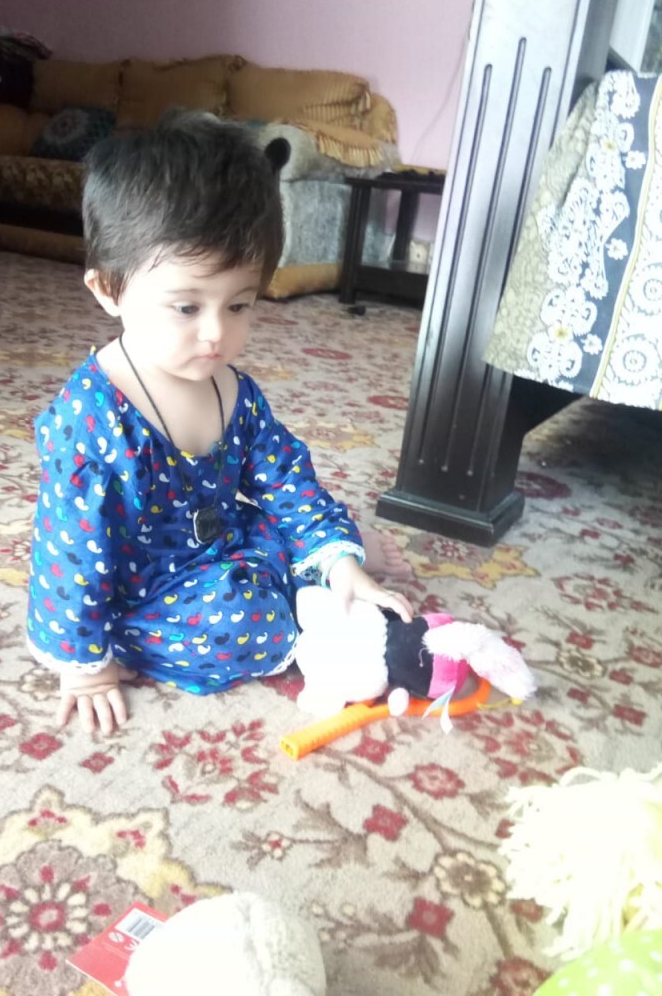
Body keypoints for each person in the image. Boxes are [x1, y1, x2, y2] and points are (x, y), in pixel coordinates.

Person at [27, 110, 413, 736]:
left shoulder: (236, 390)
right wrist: (84, 668)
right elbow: (69, 554)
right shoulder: (91, 423)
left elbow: (285, 481)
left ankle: (331, 565)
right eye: (186, 307)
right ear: (108, 290)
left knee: (303, 530)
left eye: (239, 305)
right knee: (239, 625)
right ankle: (301, 591)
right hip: (145, 586)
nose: (216, 334)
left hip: (226, 541)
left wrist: (338, 559)